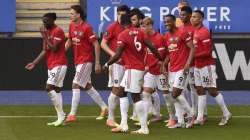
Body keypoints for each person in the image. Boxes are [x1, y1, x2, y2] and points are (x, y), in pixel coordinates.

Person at [103, 13, 163, 134]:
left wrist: (107, 63)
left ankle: (144, 127)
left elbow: (118, 54)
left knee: (136, 97)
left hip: (132, 69)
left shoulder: (123, 34)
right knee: (121, 92)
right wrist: (160, 58)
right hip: (138, 68)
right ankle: (124, 124)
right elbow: (152, 46)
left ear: (121, 22)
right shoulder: (140, 32)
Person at [65, 5, 108, 123]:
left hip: (86, 60)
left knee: (75, 84)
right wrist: (62, 52)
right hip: (77, 61)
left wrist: (97, 62)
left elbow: (96, 44)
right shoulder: (71, 26)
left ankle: (72, 114)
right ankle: (104, 108)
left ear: (78, 15)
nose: (70, 15)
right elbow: (69, 40)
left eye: (72, 13)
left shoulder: (87, 27)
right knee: (87, 86)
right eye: (70, 13)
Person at [25, 13, 67, 127]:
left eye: (46, 21)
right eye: (43, 21)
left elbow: (54, 48)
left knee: (48, 87)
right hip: (51, 64)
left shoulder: (58, 31)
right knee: (57, 90)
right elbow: (45, 50)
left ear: (53, 20)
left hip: (59, 63)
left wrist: (44, 36)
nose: (44, 23)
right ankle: (60, 118)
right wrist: (34, 62)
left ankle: (62, 115)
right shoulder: (47, 32)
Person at [191, 10, 232, 126]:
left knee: (212, 90)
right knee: (200, 90)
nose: (192, 19)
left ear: (201, 19)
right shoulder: (196, 31)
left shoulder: (204, 32)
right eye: (192, 17)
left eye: (195, 17)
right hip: (197, 65)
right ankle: (199, 118)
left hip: (206, 65)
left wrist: (193, 56)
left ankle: (226, 113)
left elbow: (208, 51)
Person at [140, 17, 175, 126]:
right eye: (141, 26)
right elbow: (146, 54)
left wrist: (163, 64)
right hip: (150, 71)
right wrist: (145, 66)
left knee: (166, 95)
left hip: (160, 72)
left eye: (144, 25)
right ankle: (146, 119)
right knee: (145, 93)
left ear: (150, 26)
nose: (142, 28)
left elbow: (168, 54)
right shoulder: (144, 38)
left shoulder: (160, 38)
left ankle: (172, 118)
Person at [163, 14, 195, 128]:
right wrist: (164, 64)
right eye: (165, 22)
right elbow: (169, 53)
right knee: (176, 95)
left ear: (174, 22)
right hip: (172, 69)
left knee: (175, 93)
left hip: (182, 68)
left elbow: (192, 48)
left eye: (168, 21)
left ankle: (191, 114)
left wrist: (187, 64)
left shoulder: (182, 32)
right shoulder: (166, 36)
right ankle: (181, 121)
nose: (166, 24)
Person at [100, 4, 130, 127]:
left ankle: (131, 116)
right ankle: (110, 118)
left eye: (122, 14)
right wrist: (113, 55)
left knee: (127, 90)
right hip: (117, 64)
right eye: (118, 14)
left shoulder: (130, 27)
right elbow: (103, 43)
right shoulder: (113, 27)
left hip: (129, 63)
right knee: (117, 89)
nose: (119, 16)